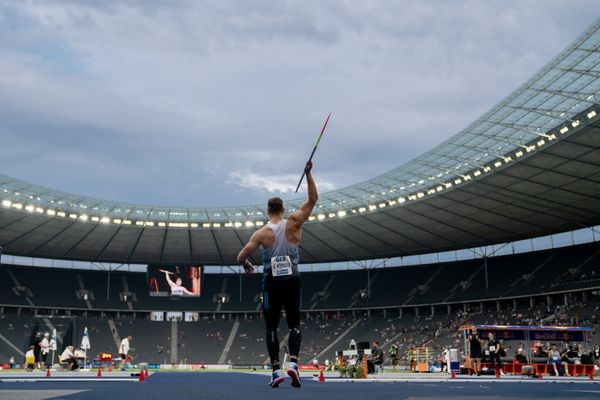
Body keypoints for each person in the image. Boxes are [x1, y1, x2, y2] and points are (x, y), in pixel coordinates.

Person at [237, 160, 318, 389]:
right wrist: (308, 174)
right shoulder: (293, 222)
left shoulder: (262, 233)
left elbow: (240, 256)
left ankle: (275, 370)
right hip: (292, 278)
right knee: (294, 324)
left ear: (268, 211)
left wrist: (246, 264)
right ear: (282, 211)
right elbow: (312, 200)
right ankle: (293, 364)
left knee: (271, 327)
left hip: (271, 282)